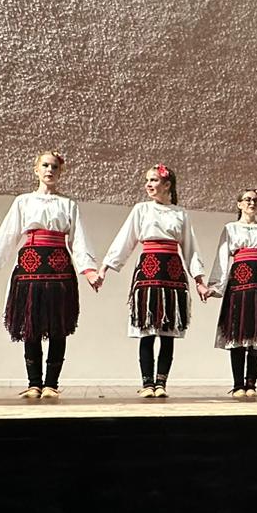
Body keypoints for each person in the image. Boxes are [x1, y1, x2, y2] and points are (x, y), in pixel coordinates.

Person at [0, 150, 101, 399]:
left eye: (55, 167)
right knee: (31, 325)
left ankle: (51, 384)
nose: (50, 170)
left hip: (59, 269)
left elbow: (79, 239)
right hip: (30, 267)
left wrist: (89, 270)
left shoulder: (68, 204)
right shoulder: (23, 201)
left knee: (58, 326)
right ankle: (34, 383)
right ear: (36, 170)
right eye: (45, 166)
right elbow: (7, 234)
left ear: (61, 172)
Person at [99, 163, 208, 398]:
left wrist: (199, 279)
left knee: (168, 333)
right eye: (147, 180)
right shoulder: (141, 209)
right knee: (146, 330)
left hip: (172, 273)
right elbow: (125, 239)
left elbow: (191, 248)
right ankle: (147, 383)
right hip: (148, 270)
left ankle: (161, 384)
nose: (148, 184)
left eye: (154, 180)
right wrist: (105, 267)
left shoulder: (180, 213)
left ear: (167, 185)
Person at [204, 187, 257, 399]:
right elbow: (222, 258)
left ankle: (252, 384)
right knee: (238, 333)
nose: (252, 203)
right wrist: (215, 286)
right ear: (239, 204)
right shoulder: (231, 229)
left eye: (255, 200)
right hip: (239, 286)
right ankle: (238, 384)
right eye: (247, 199)